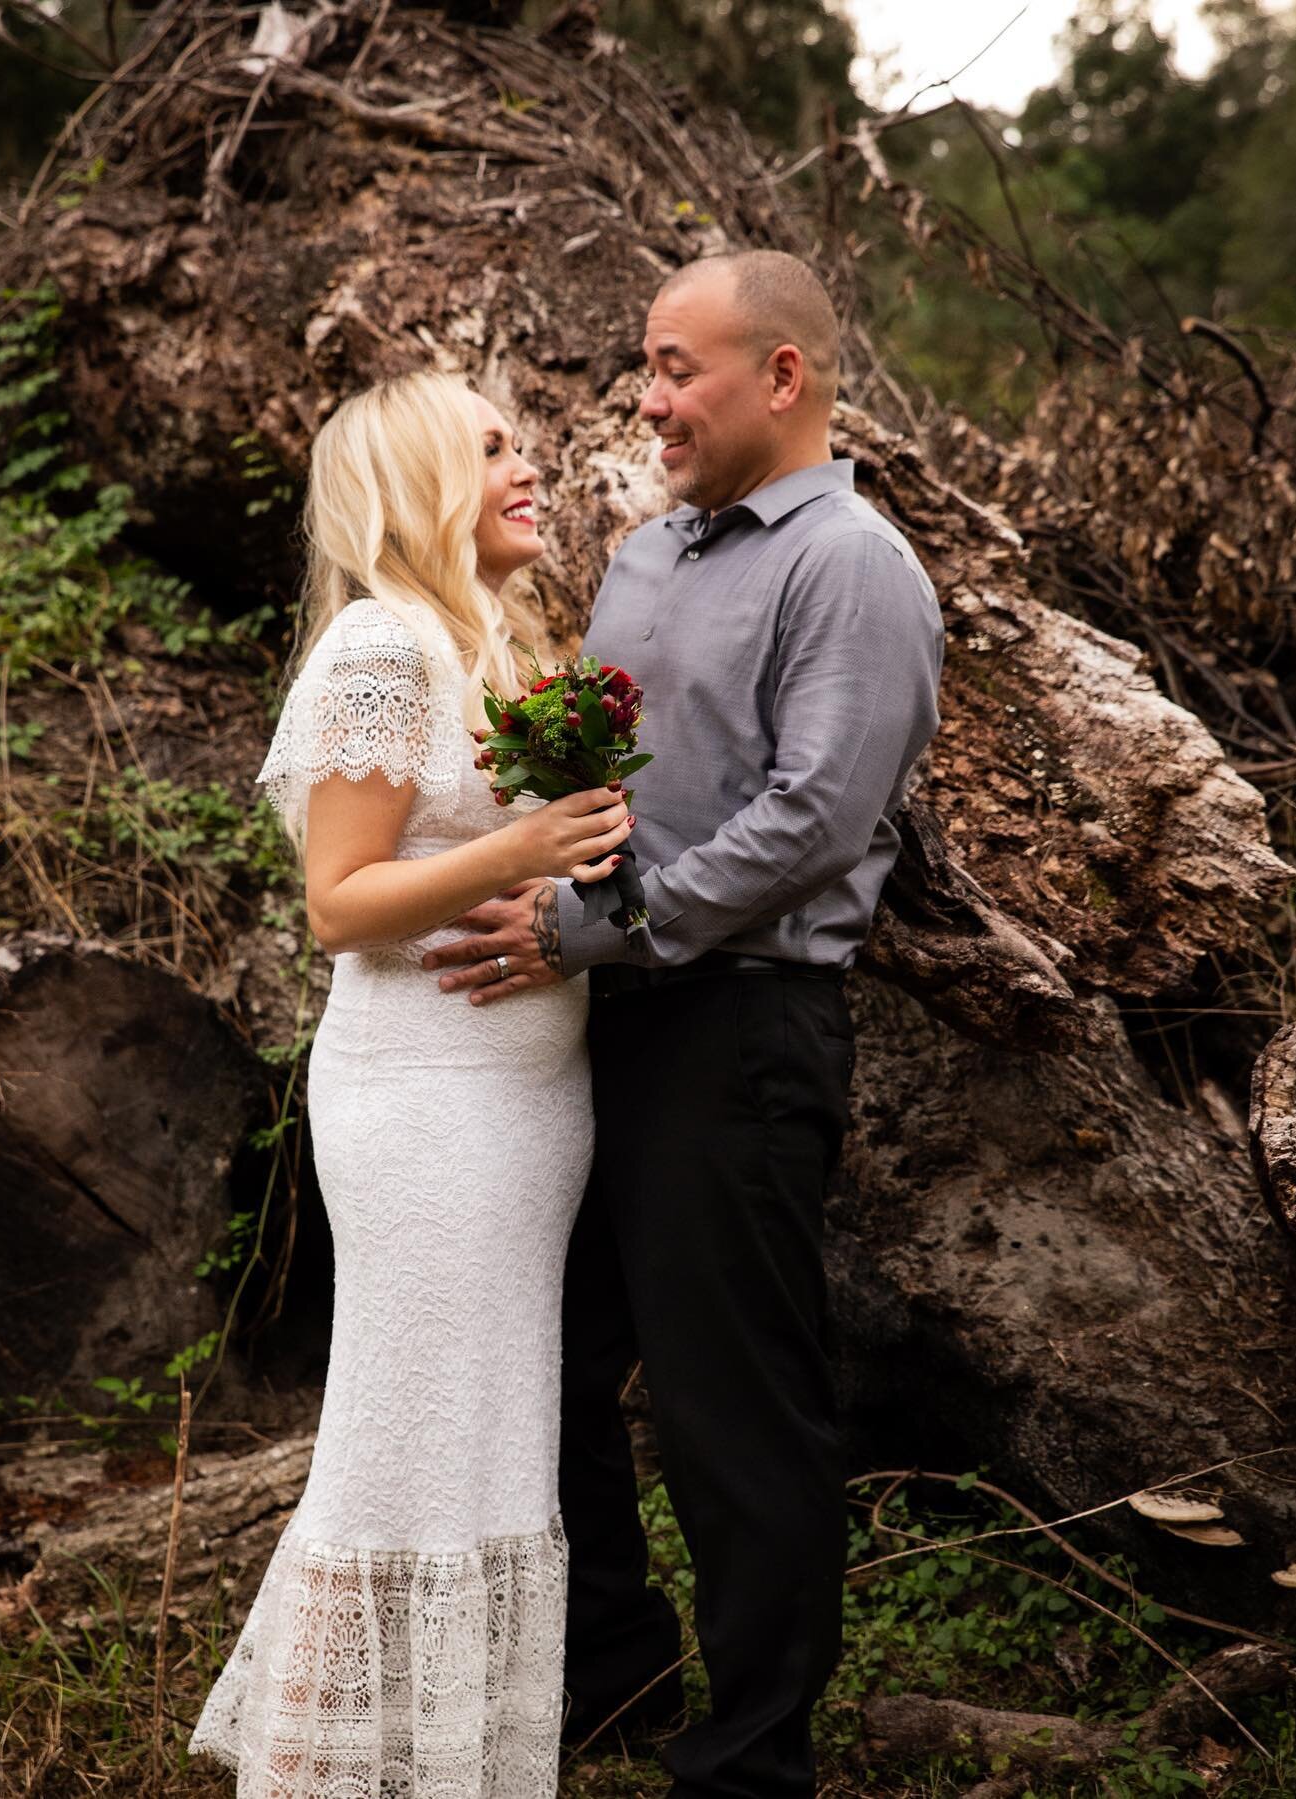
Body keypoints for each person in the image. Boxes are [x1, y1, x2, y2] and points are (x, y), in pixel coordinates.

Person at [421, 250, 946, 1798]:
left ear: (780, 376)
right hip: (609, 1024)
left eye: (675, 367)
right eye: (644, 368)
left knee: (732, 1408)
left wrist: (589, 926)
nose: (648, 401)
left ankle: (752, 1751)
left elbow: (810, 820)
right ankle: (611, 1665)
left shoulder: (853, 567)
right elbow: (606, 786)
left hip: (745, 1031)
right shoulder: (648, 562)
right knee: (554, 1361)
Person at [187, 368, 634, 1797]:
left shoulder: (499, 651)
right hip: (427, 1102)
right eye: (492, 447)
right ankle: (321, 1772)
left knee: (494, 1441)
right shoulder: (383, 650)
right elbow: (338, 901)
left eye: (521, 441)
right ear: (421, 483)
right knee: (402, 1445)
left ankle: (456, 1763)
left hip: (527, 1102)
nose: (528, 465)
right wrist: (528, 850)